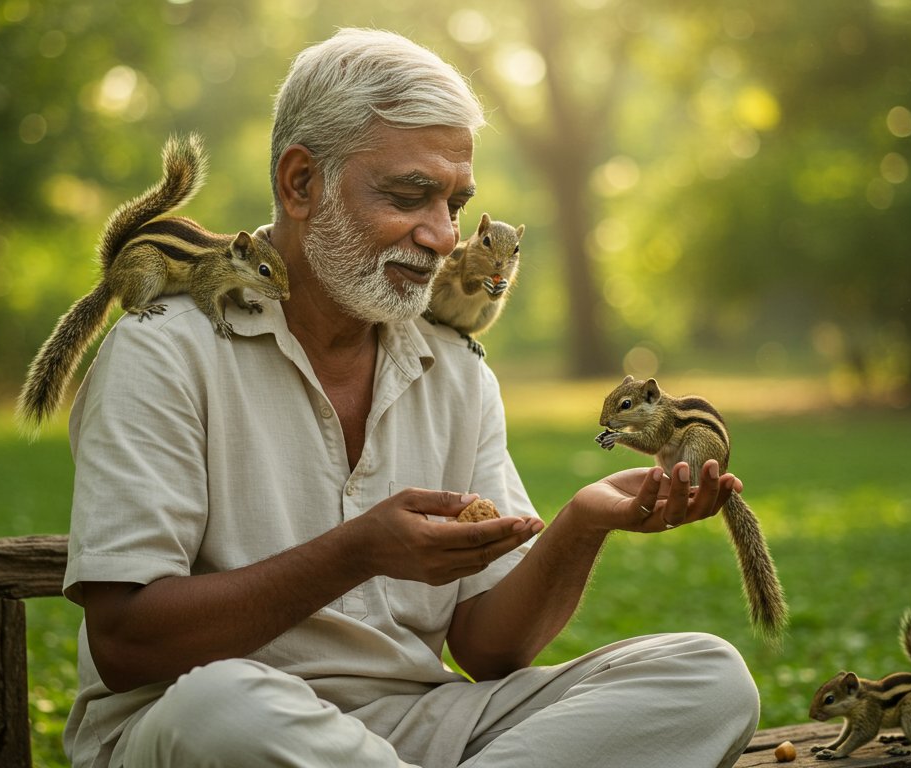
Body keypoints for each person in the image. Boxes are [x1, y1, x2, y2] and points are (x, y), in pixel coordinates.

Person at [61, 28, 759, 768]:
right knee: (221, 708)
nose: (441, 236)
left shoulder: (455, 368)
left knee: (705, 678)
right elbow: (128, 643)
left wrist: (582, 524)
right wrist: (358, 552)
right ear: (301, 184)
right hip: (212, 728)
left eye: (456, 203)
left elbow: (491, 647)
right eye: (409, 195)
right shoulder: (163, 350)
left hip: (416, 726)